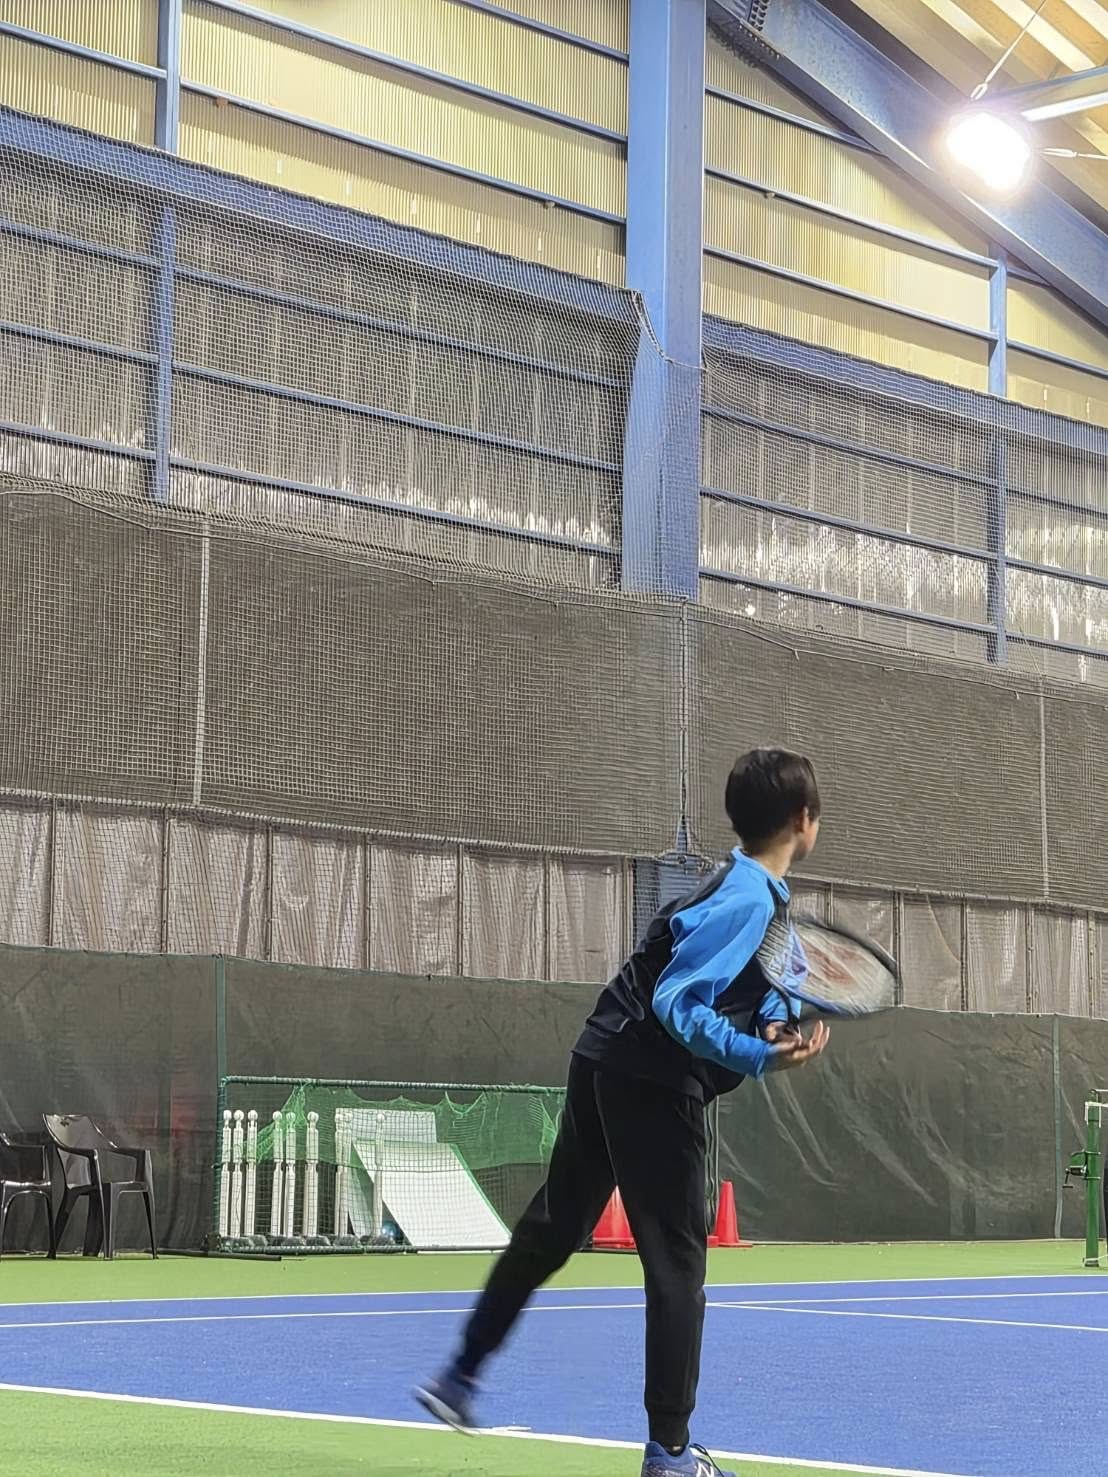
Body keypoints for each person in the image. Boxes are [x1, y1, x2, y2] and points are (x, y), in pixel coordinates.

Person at [416, 747, 830, 1477]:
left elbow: (754, 988)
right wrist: (758, 1055)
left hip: (603, 1055)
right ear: (804, 820)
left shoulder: (741, 888)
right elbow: (679, 1001)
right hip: (652, 1081)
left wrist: (774, 1028)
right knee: (677, 1265)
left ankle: (460, 1373)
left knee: (555, 1226)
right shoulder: (747, 900)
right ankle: (670, 1455)